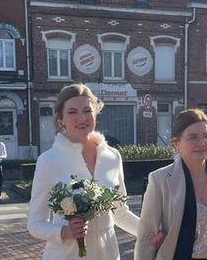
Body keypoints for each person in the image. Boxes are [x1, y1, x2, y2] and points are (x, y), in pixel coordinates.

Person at [27, 83, 140, 259]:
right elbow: (35, 224)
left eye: (87, 110)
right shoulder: (49, 161)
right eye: (72, 112)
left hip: (107, 252)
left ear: (95, 113)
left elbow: (120, 213)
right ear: (60, 120)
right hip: (67, 254)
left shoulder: (113, 157)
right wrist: (64, 231)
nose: (82, 118)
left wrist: (150, 233)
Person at [135, 108, 207, 260]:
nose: (202, 142)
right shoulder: (160, 180)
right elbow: (145, 239)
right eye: (193, 137)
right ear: (176, 143)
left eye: (206, 136)